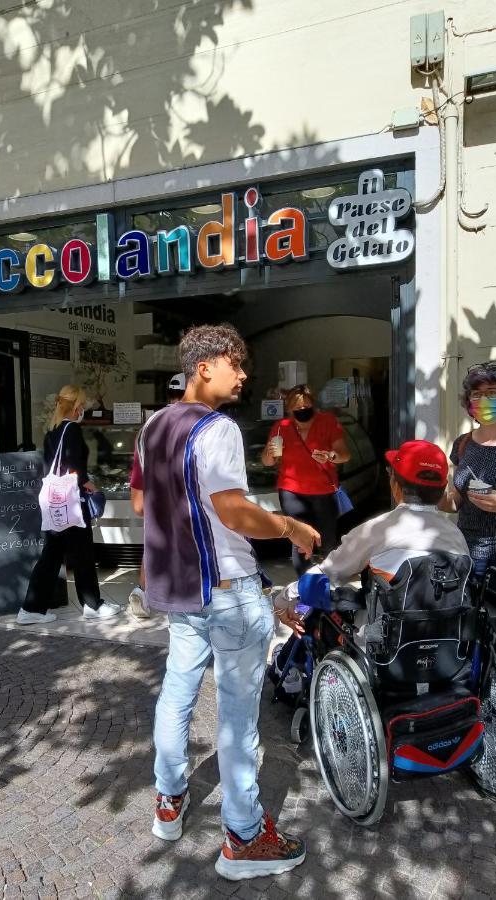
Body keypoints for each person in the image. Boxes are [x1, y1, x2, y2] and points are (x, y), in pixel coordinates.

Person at [139, 324, 320, 882]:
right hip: (226, 592)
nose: (243, 374)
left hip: (184, 590)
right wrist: (290, 526)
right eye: (235, 363)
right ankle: (243, 836)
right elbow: (234, 512)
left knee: (176, 693)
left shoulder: (152, 426)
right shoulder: (218, 429)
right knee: (239, 720)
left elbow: (144, 501)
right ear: (204, 366)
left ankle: (169, 803)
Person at [274, 439, 470, 666]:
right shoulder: (456, 536)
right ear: (443, 487)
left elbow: (326, 573)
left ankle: (286, 668)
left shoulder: (377, 530)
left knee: (317, 604)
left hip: (381, 651)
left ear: (395, 486)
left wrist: (283, 599)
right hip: (447, 653)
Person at [439, 361, 496, 680]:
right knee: (468, 637)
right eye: (477, 393)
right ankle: (474, 706)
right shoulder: (463, 444)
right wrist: (426, 492)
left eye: (492, 392)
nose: (484, 400)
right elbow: (454, 501)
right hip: (468, 558)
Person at [17, 385, 121, 625]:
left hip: (56, 503)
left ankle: (31, 608)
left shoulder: (52, 431)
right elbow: (75, 467)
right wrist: (91, 485)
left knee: (51, 555)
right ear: (76, 406)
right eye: (82, 404)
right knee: (83, 553)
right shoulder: (72, 429)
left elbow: (49, 467)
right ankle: (92, 605)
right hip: (72, 501)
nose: (83, 408)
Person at [261, 385, 350, 574]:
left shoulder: (328, 422)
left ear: (314, 406)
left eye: (307, 407)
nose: (303, 412)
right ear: (290, 410)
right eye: (298, 409)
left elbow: (344, 454)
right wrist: (269, 454)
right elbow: (267, 462)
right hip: (291, 490)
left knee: (327, 541)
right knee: (299, 540)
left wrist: (330, 456)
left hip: (323, 491)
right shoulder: (282, 427)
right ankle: (305, 586)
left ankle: (329, 583)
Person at [128, 373, 187, 620]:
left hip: (155, 500)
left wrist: (141, 505)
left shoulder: (148, 427)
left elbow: (138, 474)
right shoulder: (198, 423)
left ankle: (142, 592)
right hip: (185, 501)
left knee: (153, 545)